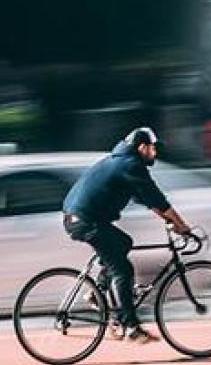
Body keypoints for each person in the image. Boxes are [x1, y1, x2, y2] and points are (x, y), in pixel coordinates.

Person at [62, 127, 194, 345]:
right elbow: (156, 198)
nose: (155, 153)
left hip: (84, 218)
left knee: (124, 243)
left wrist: (169, 220)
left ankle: (98, 292)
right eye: (153, 148)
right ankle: (131, 326)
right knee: (123, 269)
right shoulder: (130, 165)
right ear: (142, 147)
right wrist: (181, 225)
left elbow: (148, 200)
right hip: (84, 221)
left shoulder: (123, 162)